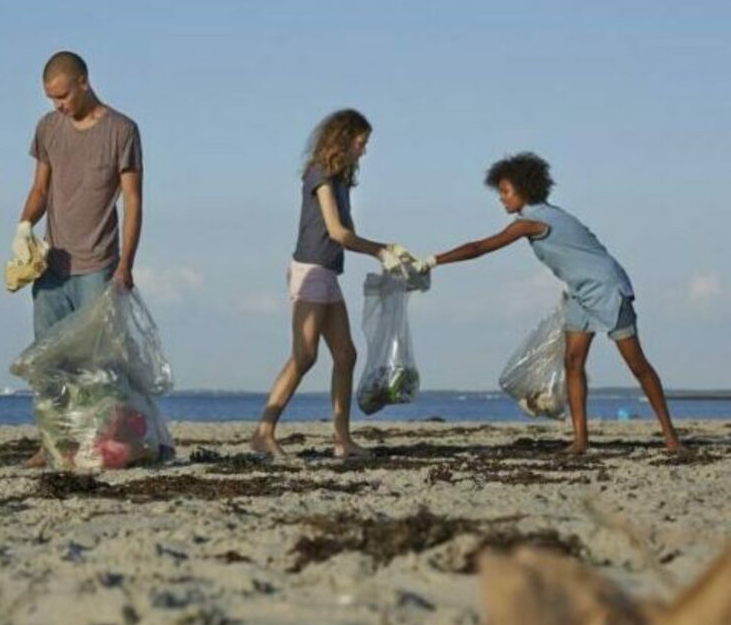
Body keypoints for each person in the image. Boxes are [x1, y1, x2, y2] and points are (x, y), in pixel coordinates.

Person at [414, 152, 682, 454]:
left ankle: (671, 438)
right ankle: (580, 441)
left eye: (505, 191)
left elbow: (480, 248)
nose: (501, 198)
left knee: (638, 365)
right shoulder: (540, 216)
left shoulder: (532, 221)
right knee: (573, 363)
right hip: (580, 293)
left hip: (607, 289)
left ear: (524, 189)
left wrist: (432, 261)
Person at [249, 109, 417, 459]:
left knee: (345, 355)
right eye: (361, 142)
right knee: (305, 355)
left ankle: (342, 439)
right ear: (344, 139)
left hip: (327, 272)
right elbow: (338, 232)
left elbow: (348, 235)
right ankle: (263, 432)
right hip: (309, 271)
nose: (364, 150)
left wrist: (387, 251)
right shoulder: (319, 173)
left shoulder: (341, 180)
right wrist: (380, 251)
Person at [12, 51, 143, 466]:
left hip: (98, 266)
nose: (58, 105)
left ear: (83, 82)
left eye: (63, 96)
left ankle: (100, 442)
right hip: (51, 268)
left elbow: (133, 201)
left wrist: (125, 264)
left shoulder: (122, 130)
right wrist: (24, 227)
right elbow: (40, 189)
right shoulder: (48, 128)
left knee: (98, 365)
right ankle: (52, 442)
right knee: (48, 361)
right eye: (51, 98)